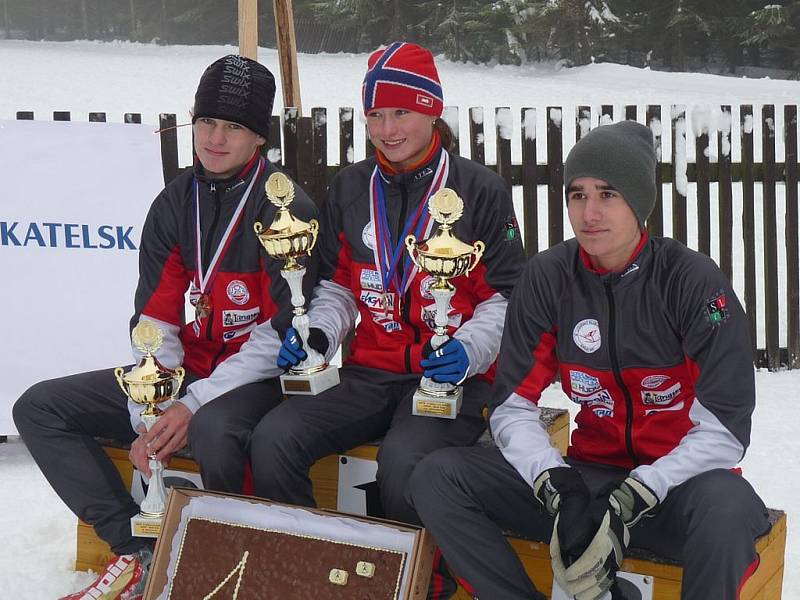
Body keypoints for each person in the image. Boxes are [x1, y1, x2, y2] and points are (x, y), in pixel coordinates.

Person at [409, 120, 770, 600]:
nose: (590, 213)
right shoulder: (549, 278)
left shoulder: (691, 281)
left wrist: (639, 490)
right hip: (587, 484)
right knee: (439, 476)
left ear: (639, 203)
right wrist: (556, 484)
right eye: (577, 195)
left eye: (608, 194)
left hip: (678, 488)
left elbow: (726, 429)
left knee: (726, 508)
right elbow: (512, 408)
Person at [13, 54, 317, 600]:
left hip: (253, 379)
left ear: (259, 139)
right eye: (206, 122)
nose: (215, 139)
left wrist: (191, 404)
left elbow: (279, 335)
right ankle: (136, 549)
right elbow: (155, 316)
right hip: (182, 372)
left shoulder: (285, 209)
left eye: (233, 127)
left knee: (215, 433)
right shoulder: (175, 202)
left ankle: (235, 567)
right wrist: (150, 407)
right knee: (40, 406)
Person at [250, 42, 524, 597]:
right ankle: (314, 572)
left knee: (403, 463)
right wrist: (320, 332)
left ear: (432, 112)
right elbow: (336, 285)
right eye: (374, 114)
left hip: (450, 379)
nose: (386, 128)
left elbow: (505, 300)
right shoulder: (352, 188)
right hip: (368, 372)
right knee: (274, 438)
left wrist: (466, 352)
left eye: (401, 112)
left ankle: (419, 584)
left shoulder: (479, 191)